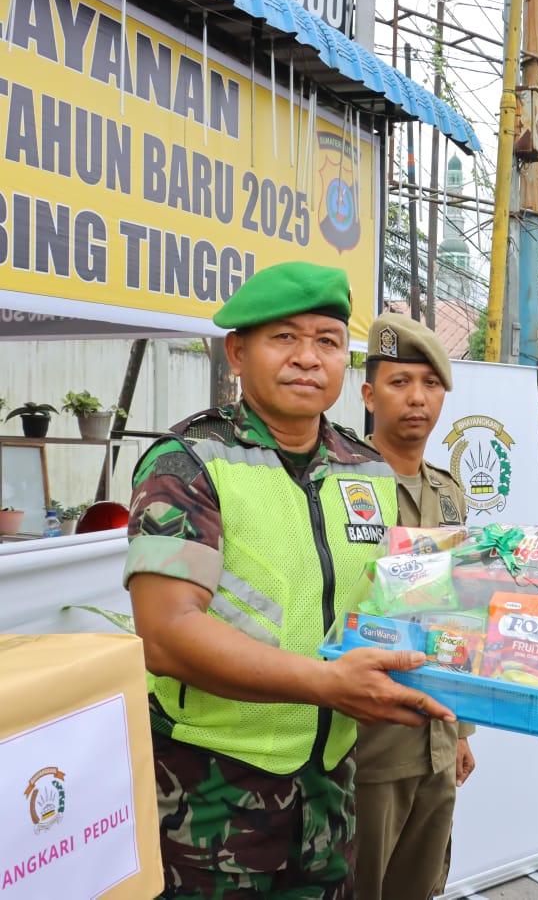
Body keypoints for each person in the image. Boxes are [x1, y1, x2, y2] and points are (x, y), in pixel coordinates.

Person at [124, 262, 455, 900]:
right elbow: (166, 634)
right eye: (284, 338)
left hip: (330, 788)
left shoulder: (368, 469)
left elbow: (396, 603)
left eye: (327, 341)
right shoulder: (187, 462)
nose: (308, 358)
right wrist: (326, 685)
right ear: (238, 352)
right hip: (209, 795)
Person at [354, 311, 476, 900]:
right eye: (400, 382)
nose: (417, 399)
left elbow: (459, 610)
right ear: (369, 394)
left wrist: (465, 729)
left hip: (438, 735)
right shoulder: (340, 485)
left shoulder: (449, 493)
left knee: (421, 887)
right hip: (368, 741)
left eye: (431, 385)